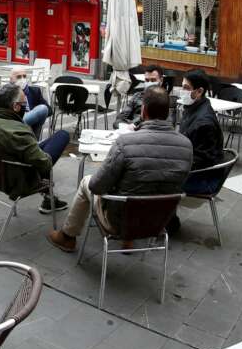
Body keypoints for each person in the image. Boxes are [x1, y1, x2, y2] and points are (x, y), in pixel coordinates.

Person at [47, 86, 192, 252]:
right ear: (167, 113)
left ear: (143, 111)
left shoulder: (126, 143)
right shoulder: (186, 145)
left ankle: (67, 237)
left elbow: (97, 186)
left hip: (120, 222)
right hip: (158, 223)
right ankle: (128, 241)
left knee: (87, 182)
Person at [0, 83, 70, 214]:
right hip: (17, 182)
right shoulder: (19, 132)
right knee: (62, 135)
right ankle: (49, 199)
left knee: (40, 145)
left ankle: (49, 198)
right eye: (25, 103)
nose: (26, 107)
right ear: (16, 107)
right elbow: (45, 164)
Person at [178, 69, 224, 195]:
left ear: (199, 91)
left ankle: (166, 213)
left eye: (186, 88)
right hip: (192, 168)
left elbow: (202, 161)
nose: (182, 92)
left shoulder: (204, 123)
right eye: (182, 87)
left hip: (202, 179)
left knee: (156, 179)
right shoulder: (193, 108)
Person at [9, 67, 49, 139]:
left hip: (31, 127)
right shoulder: (5, 91)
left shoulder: (34, 91)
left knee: (42, 109)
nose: (22, 79)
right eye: (19, 77)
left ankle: (34, 142)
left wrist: (34, 114)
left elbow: (48, 109)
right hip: (12, 123)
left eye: (24, 76)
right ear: (11, 79)